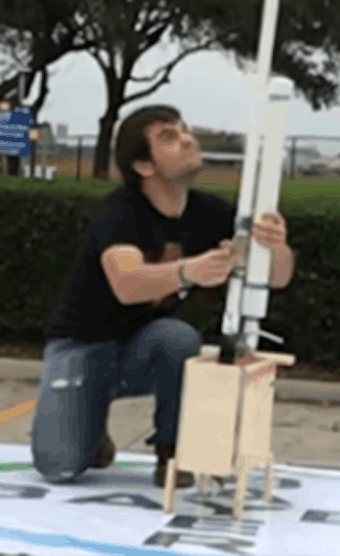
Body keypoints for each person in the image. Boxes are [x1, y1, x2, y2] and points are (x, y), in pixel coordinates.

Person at [31, 104, 295, 486]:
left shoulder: (212, 213)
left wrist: (278, 248)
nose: (187, 139)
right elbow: (128, 285)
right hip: (83, 347)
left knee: (177, 337)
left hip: (148, 347)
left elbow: (277, 278)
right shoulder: (119, 213)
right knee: (59, 466)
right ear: (143, 165)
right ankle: (89, 425)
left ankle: (173, 452)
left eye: (184, 130)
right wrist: (190, 270)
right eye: (168, 137)